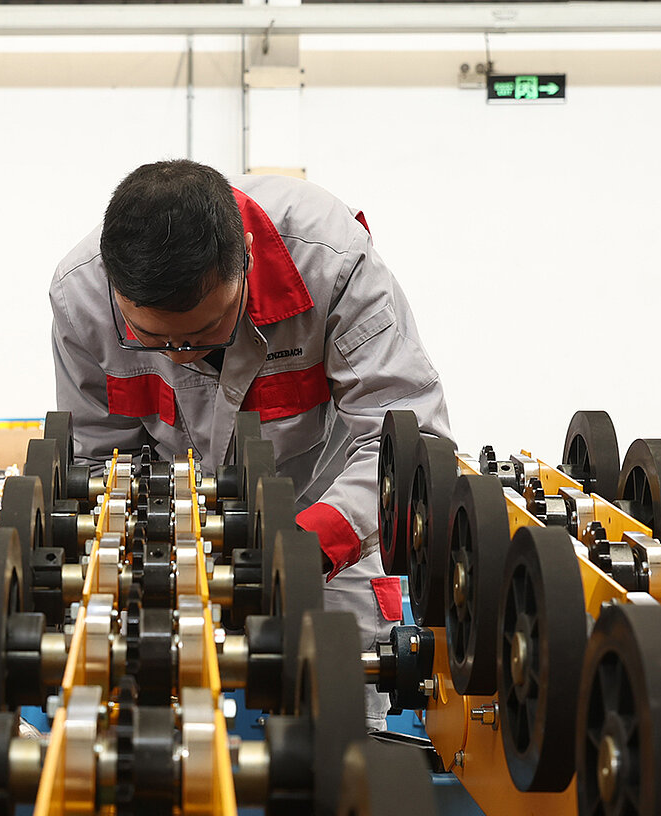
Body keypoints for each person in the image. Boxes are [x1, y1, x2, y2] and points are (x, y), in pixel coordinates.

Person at [49, 159, 451, 726]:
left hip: (324, 522)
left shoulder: (328, 259)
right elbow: (98, 460)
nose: (181, 353)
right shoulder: (80, 297)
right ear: (115, 291)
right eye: (152, 338)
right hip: (170, 536)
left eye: (203, 333)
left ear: (248, 264)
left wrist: (311, 543)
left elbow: (406, 437)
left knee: (341, 727)